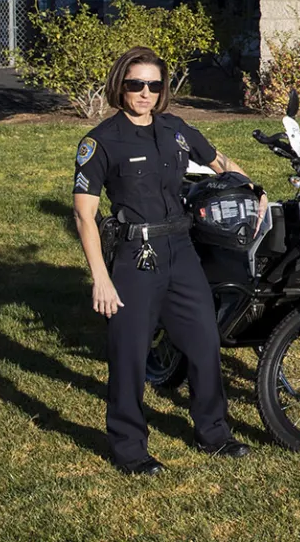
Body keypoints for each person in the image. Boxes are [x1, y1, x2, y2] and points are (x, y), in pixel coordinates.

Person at [71, 46, 254, 475]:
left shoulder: (175, 130)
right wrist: (100, 277)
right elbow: (84, 214)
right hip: (136, 255)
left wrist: (251, 187)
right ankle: (129, 448)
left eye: (154, 85)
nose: (145, 93)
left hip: (181, 249)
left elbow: (219, 162)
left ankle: (213, 433)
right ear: (121, 85)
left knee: (205, 344)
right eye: (136, 84)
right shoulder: (100, 141)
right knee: (130, 354)